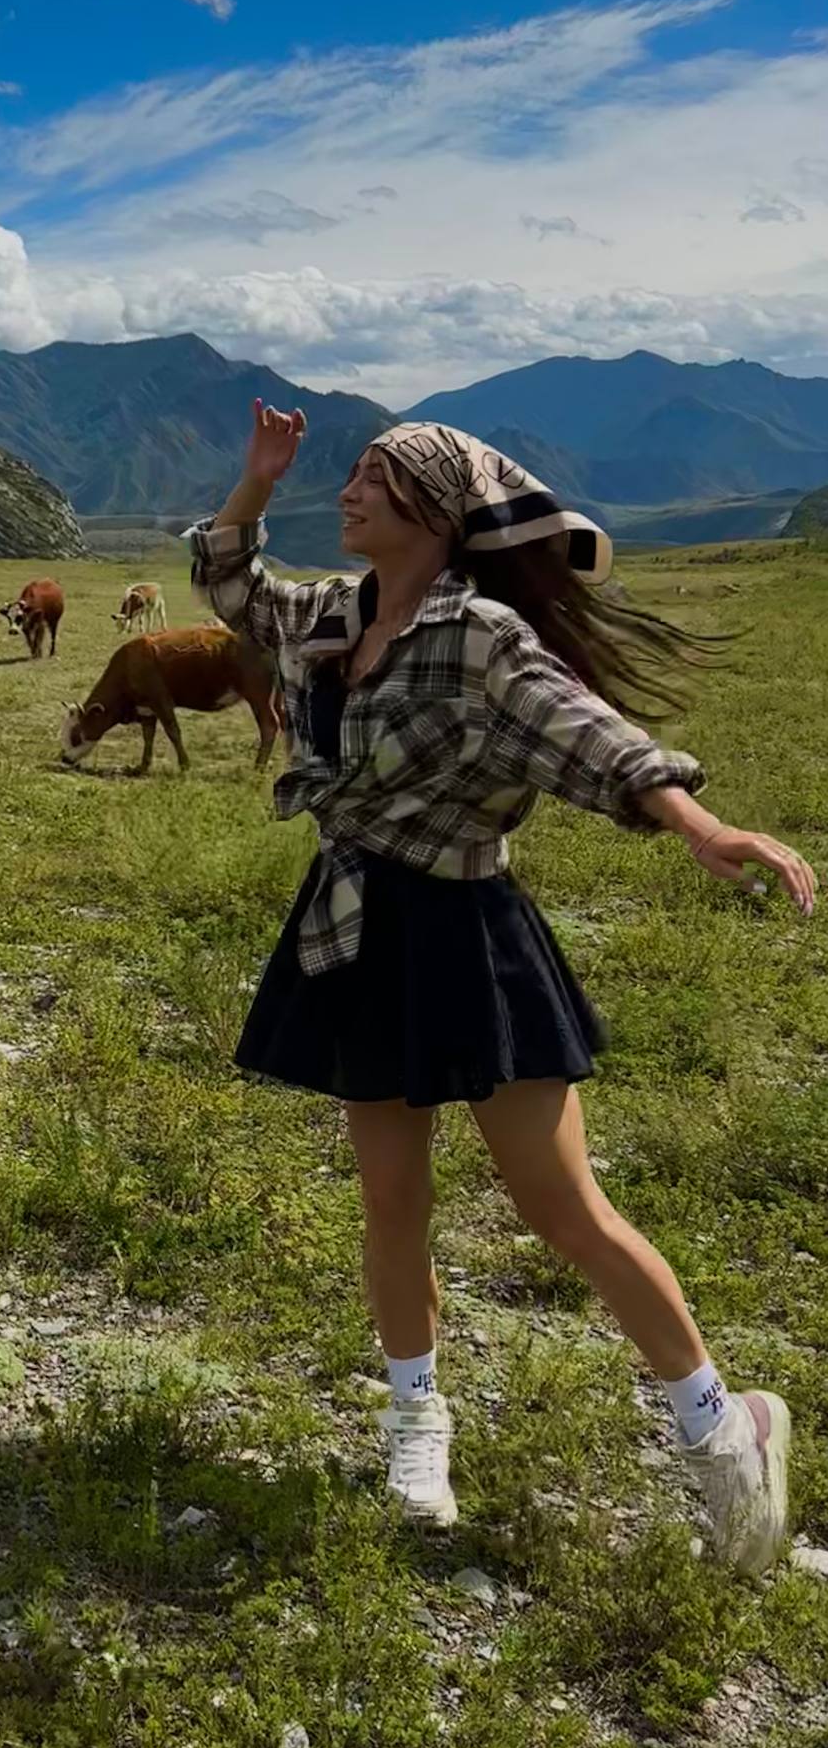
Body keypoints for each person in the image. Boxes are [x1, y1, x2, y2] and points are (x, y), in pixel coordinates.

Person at [190, 405, 815, 1573]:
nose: (351, 490)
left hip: (466, 934)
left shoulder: (478, 636)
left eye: (378, 479)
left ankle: (725, 1429)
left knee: (559, 1205)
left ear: (436, 512)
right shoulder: (329, 614)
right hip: (354, 927)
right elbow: (228, 581)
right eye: (356, 473)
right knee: (389, 1201)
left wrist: (695, 818)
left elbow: (590, 736)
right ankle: (414, 1419)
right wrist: (253, 485)